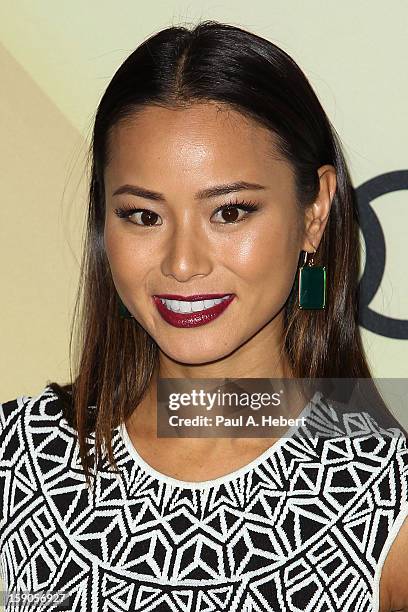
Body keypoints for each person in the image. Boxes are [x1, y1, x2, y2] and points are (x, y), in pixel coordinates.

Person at [1, 19, 407, 612]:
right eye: (143, 216)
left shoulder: (388, 505)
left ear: (315, 210)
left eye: (231, 212)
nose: (182, 263)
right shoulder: (19, 462)